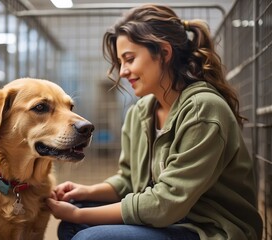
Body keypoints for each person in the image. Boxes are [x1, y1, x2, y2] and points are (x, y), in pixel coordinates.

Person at [46, 4, 263, 240]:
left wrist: (80, 215)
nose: (123, 72)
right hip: (171, 220)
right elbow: (129, 180)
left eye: (129, 59)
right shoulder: (140, 112)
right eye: (121, 62)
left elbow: (165, 204)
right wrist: (86, 192)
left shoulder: (203, 109)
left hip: (208, 229)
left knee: (87, 236)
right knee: (69, 226)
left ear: (164, 53)